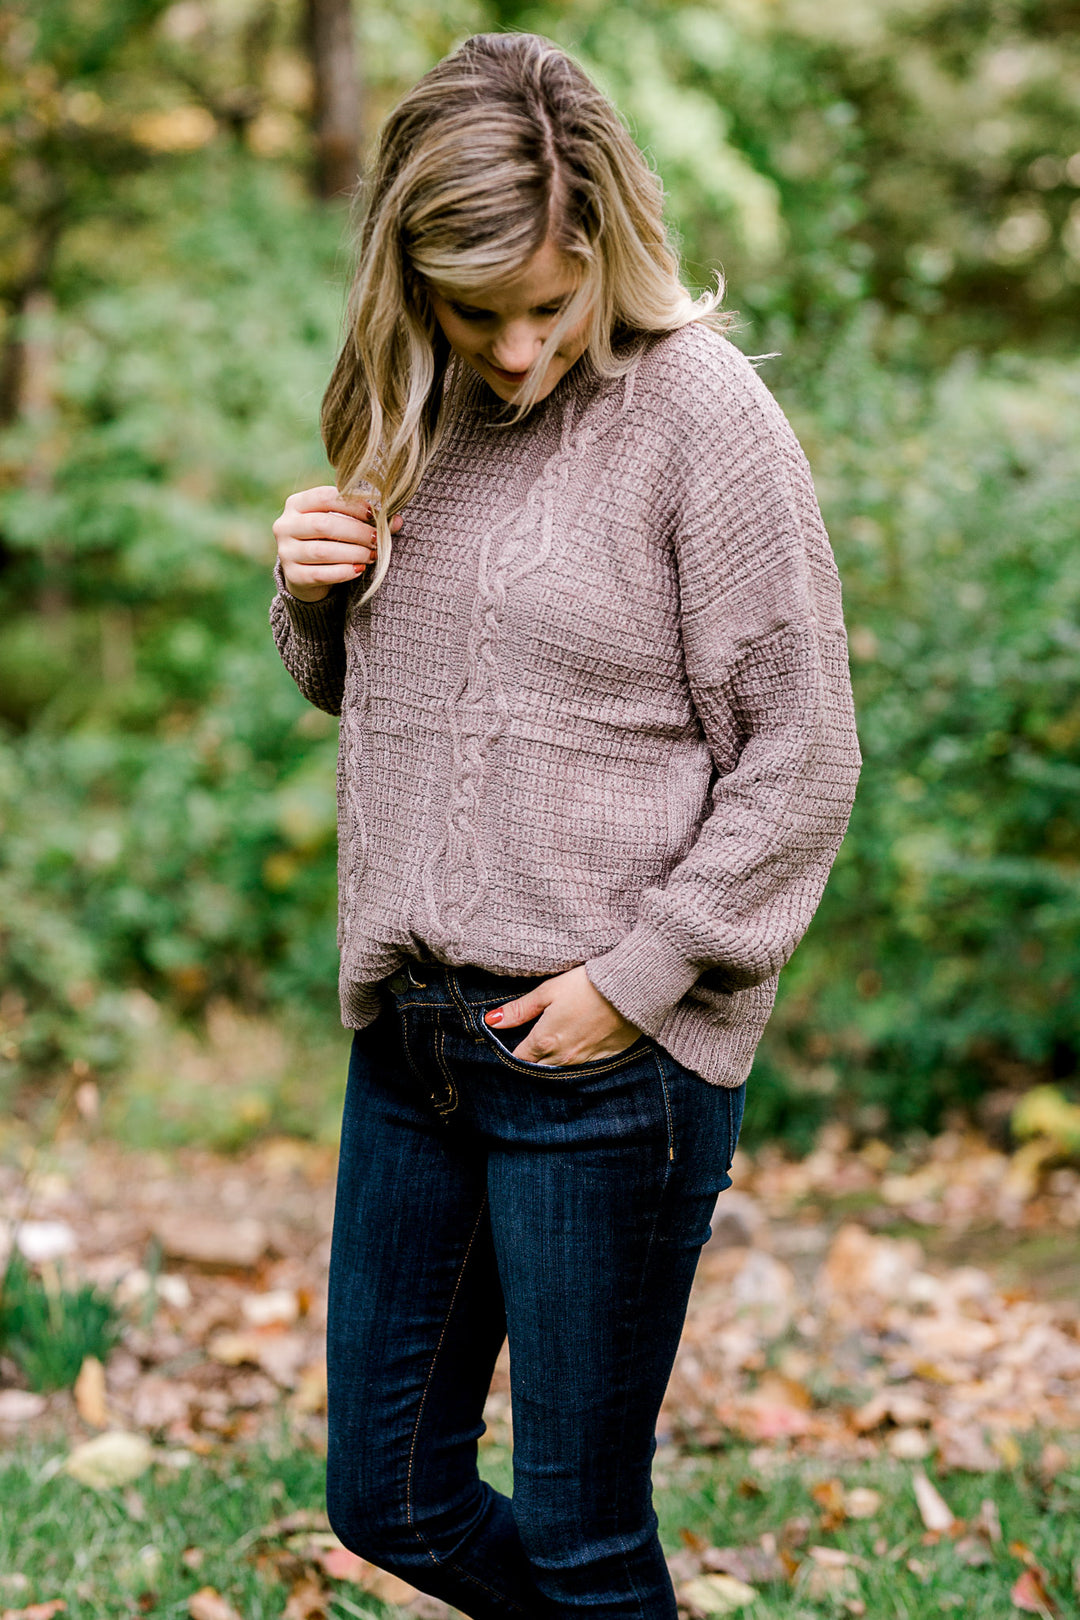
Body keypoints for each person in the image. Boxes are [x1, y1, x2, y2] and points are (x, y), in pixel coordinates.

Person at [270, 30, 861, 1619]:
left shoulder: (702, 416)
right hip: (411, 1042)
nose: (518, 351)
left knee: (587, 1538)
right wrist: (313, 592)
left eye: (549, 304)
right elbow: (376, 697)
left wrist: (641, 978)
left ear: (610, 240)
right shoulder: (419, 404)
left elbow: (805, 759)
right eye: (478, 314)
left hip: (607, 1066)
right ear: (412, 282)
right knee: (386, 1496)